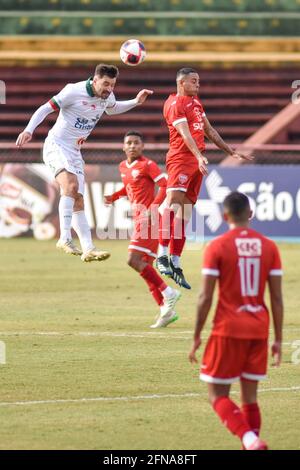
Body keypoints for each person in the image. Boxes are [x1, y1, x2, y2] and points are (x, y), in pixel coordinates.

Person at [16, 64, 153, 262]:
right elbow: (46, 108)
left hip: (74, 151)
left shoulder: (107, 96)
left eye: (113, 85)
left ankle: (88, 248)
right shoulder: (73, 91)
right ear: (94, 80)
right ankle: (64, 238)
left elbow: (113, 110)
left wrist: (136, 102)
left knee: (78, 198)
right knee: (70, 185)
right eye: (106, 84)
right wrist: (29, 130)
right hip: (56, 145)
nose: (109, 89)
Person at [189, 192, 283, 450]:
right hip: (259, 329)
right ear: (250, 214)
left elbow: (205, 296)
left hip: (227, 329)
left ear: (224, 216)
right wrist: (278, 339)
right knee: (250, 398)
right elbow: (276, 298)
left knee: (217, 394)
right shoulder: (269, 246)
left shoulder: (217, 246)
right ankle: (250, 441)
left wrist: (197, 334)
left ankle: (249, 440)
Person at [157, 67, 253, 288]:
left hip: (196, 161)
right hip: (181, 158)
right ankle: (161, 256)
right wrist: (199, 156)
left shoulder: (196, 103)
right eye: (194, 81)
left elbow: (209, 130)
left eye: (198, 81)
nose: (198, 84)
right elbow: (184, 134)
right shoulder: (174, 104)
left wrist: (230, 150)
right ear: (182, 83)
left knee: (186, 212)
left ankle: (176, 261)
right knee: (172, 204)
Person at [104, 131, 181, 328]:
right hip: (141, 218)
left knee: (133, 260)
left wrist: (152, 209)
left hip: (150, 219)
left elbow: (164, 186)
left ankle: (168, 293)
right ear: (123, 147)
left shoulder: (148, 165)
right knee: (144, 265)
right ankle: (166, 310)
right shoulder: (123, 166)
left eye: (136, 143)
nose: (132, 146)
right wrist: (114, 196)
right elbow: (129, 188)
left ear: (142, 146)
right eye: (128, 143)